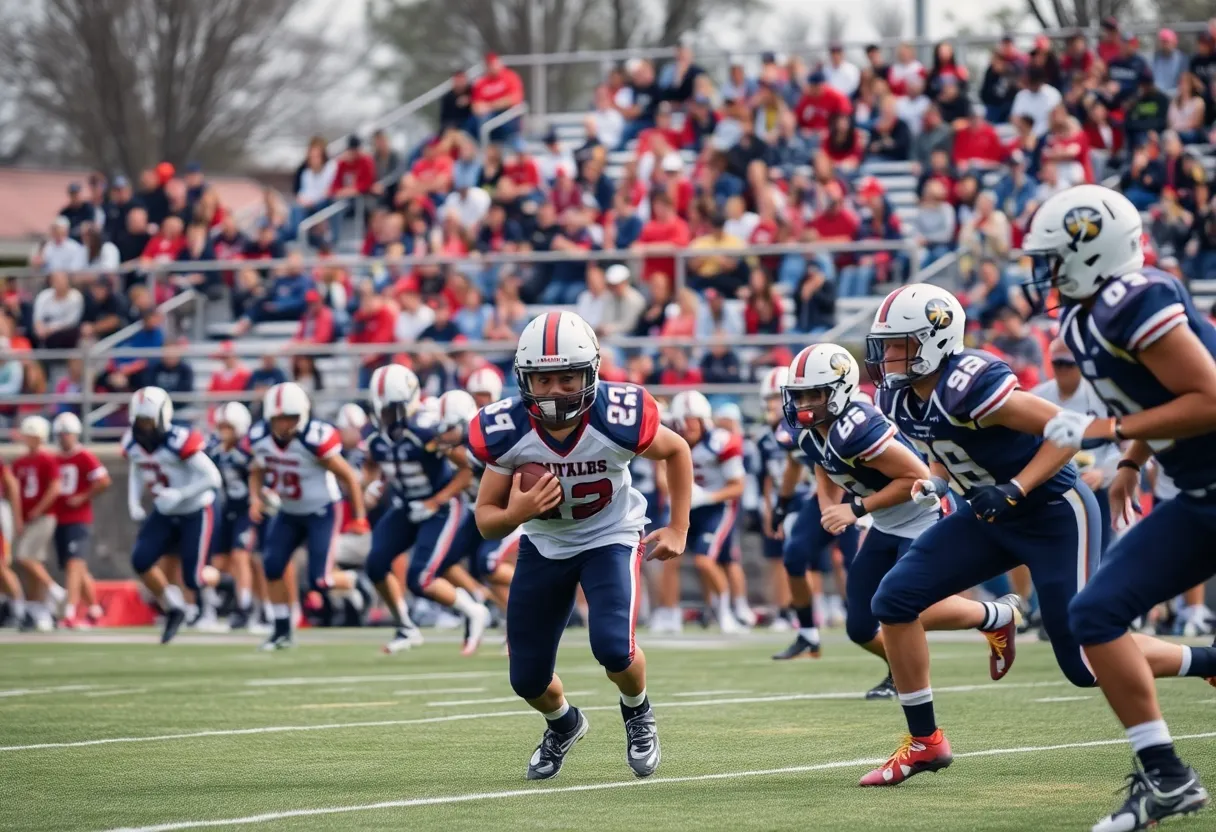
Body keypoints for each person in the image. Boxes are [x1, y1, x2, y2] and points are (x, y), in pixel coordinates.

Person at [862, 281, 1216, 789]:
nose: (888, 356)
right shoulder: (901, 396)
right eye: (886, 344)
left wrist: (1015, 486)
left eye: (899, 344)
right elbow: (942, 446)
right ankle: (926, 742)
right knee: (893, 601)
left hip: (1053, 511)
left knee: (1084, 663)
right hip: (988, 515)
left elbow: (1065, 430)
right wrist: (937, 480)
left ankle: (1207, 659)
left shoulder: (970, 382)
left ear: (936, 339)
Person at [1025, 184, 1216, 830]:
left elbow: (1209, 398)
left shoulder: (1128, 300)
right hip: (1199, 496)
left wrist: (1106, 436)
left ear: (1090, 252)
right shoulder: (1087, 315)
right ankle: (1166, 778)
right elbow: (1147, 398)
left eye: (1053, 258)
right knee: (1095, 614)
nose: (1044, 273)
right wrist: (1131, 463)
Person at [469, 310, 693, 781]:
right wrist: (517, 513)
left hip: (609, 536)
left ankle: (638, 713)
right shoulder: (508, 430)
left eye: (567, 377)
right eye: (543, 378)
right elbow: (487, 521)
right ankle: (564, 723)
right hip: (544, 544)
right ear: (524, 378)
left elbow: (677, 451)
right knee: (526, 679)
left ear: (590, 373)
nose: (554, 390)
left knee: (613, 645)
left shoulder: (617, 417)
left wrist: (679, 528)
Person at [782, 344, 1022, 698]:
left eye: (814, 395)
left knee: (910, 609)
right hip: (885, 524)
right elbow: (823, 465)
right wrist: (828, 506)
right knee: (861, 625)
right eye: (799, 396)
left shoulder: (858, 425)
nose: (804, 406)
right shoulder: (809, 430)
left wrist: (857, 508)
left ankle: (994, 616)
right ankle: (899, 670)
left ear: (840, 390)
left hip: (923, 515)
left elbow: (916, 475)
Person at [362, 365, 490, 655]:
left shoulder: (426, 431)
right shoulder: (375, 434)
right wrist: (371, 483)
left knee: (419, 578)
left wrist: (435, 501)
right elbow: (373, 460)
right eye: (381, 408)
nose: (386, 415)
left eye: (391, 408)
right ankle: (406, 626)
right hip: (406, 504)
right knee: (375, 564)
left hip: (441, 507)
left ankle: (472, 610)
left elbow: (466, 470)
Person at [248, 382, 369, 650]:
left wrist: (359, 516)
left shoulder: (313, 439)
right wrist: (254, 498)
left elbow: (348, 476)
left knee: (319, 580)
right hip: (289, 511)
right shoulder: (260, 438)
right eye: (279, 418)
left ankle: (355, 581)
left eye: (290, 417)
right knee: (272, 566)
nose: (284, 424)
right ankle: (281, 631)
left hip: (322, 510)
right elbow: (256, 469)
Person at [123, 387, 223, 645]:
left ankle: (226, 582)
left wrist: (181, 493)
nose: (144, 427)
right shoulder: (132, 442)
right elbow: (136, 467)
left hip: (195, 509)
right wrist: (133, 501)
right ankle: (173, 606)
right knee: (140, 559)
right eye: (140, 421)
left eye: (148, 420)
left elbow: (213, 478)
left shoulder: (179, 439)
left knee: (193, 577)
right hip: (165, 511)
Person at [667, 390, 745, 634]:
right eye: (684, 419)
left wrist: (706, 496)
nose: (688, 425)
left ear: (704, 419)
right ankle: (672, 613)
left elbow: (738, 486)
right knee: (674, 560)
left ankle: (726, 612)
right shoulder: (671, 438)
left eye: (694, 418)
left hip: (716, 507)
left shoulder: (720, 442)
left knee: (704, 560)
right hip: (688, 506)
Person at [1031, 339, 1119, 552]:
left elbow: (1124, 442)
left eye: (1069, 364)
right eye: (1057, 363)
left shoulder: (1101, 396)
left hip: (1095, 483)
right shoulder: (1037, 396)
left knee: (1098, 550)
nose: (1063, 369)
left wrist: (1103, 472)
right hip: (1051, 485)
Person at [50, 412, 109, 629]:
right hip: (60, 518)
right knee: (75, 566)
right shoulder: (54, 458)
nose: (64, 438)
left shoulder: (84, 456)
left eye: (68, 434)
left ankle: (70, 610)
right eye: (61, 434)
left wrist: (83, 497)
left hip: (78, 518)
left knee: (75, 562)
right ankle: (94, 609)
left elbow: (103, 480)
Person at [205, 402, 258, 631]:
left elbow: (261, 473)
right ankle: (223, 602)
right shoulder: (215, 450)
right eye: (222, 426)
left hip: (246, 510)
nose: (224, 431)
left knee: (240, 556)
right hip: (225, 510)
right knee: (219, 563)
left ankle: (245, 606)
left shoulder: (248, 450)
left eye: (229, 426)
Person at [10, 416, 65, 631]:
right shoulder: (20, 462)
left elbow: (55, 488)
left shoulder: (47, 460)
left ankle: (55, 590)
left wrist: (37, 510)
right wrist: (19, 517)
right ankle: (38, 610)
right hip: (28, 517)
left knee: (25, 557)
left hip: (43, 516)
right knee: (33, 563)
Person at [754, 368, 796, 630]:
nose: (772, 404)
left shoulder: (801, 429)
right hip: (778, 501)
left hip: (801, 500)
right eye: (768, 398)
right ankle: (782, 610)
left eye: (776, 397)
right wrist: (768, 508)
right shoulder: (763, 438)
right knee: (777, 559)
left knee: (801, 558)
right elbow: (766, 478)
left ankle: (803, 608)